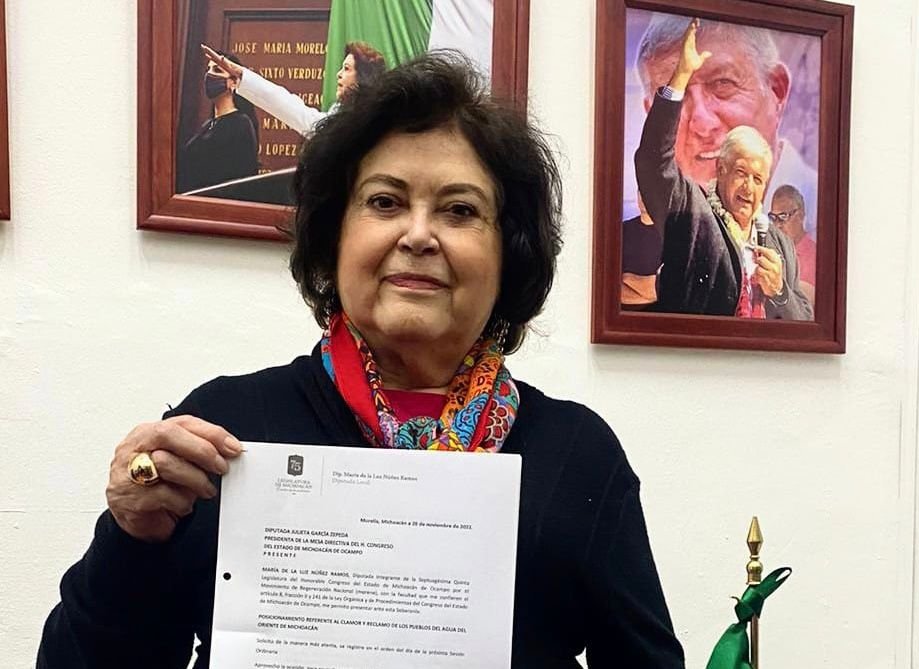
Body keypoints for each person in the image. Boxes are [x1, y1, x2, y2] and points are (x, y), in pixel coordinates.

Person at [38, 53, 685, 668]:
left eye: (460, 210)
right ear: (335, 234)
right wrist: (130, 537)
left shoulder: (577, 455)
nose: (418, 235)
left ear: (508, 253)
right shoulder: (222, 433)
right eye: (384, 201)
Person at [635, 19, 812, 320]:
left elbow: (804, 324)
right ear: (722, 169)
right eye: (741, 173)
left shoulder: (780, 243)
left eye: (723, 84)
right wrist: (680, 75)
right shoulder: (694, 216)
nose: (749, 188)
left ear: (777, 91)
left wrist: (780, 292)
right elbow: (653, 164)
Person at [633, 12, 818, 240]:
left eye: (723, 83)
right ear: (654, 116)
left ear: (776, 91)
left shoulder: (819, 219)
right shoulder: (673, 229)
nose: (702, 124)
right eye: (679, 94)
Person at [202, 41, 386, 139]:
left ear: (363, 77)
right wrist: (242, 74)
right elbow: (289, 105)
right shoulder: (337, 115)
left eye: (346, 69)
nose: (338, 74)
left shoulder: (370, 123)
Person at [176, 51, 260, 193]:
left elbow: (241, 181)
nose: (209, 75)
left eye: (217, 70)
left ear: (233, 82)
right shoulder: (208, 124)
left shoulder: (241, 124)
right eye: (208, 69)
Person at [770, 184, 816, 306]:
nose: (777, 225)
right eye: (773, 218)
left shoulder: (814, 255)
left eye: (783, 217)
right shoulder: (772, 249)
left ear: (800, 216)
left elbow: (807, 300)